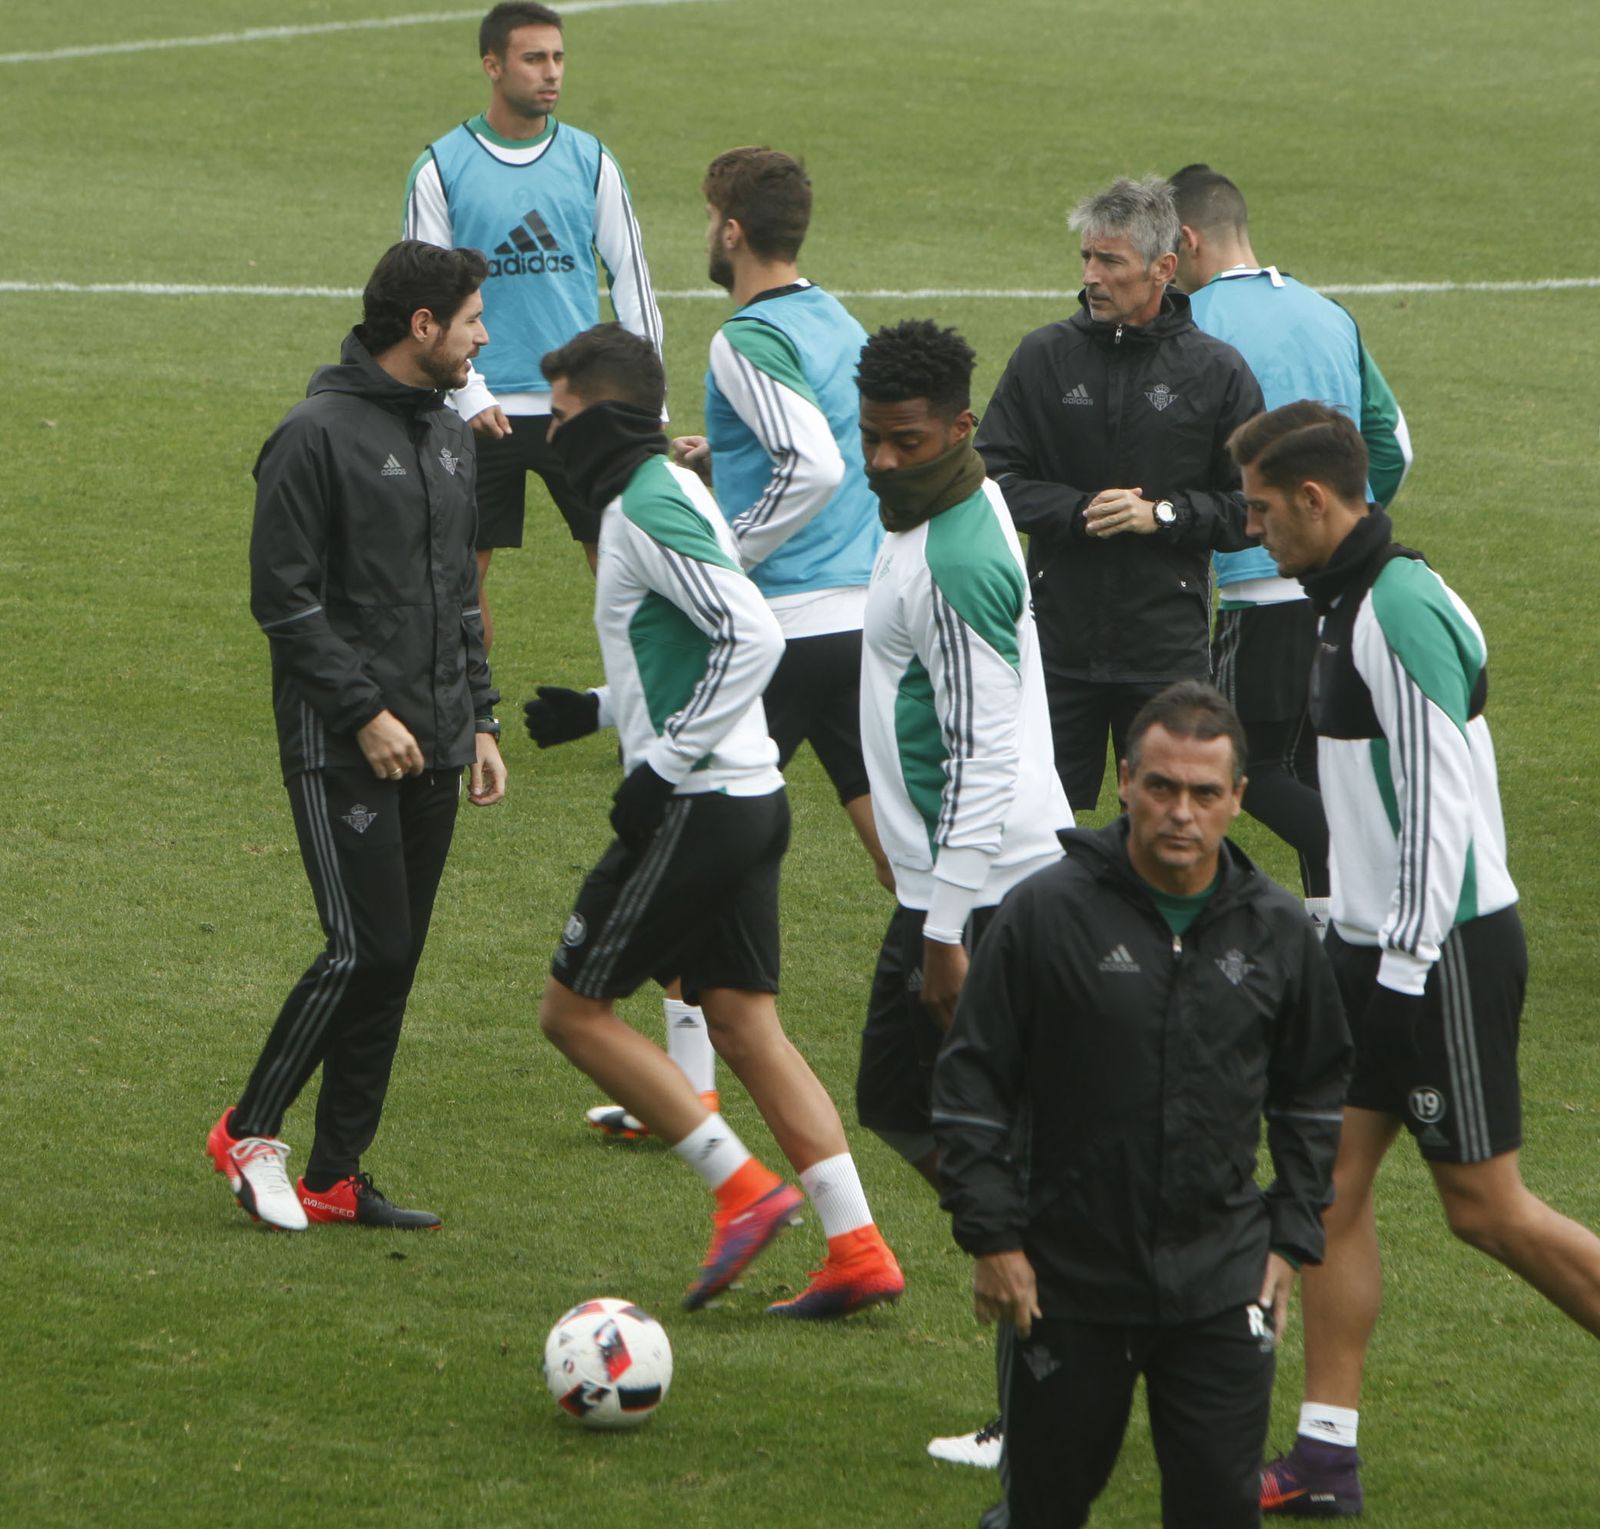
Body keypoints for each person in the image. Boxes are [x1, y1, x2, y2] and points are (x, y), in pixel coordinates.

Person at [1231, 402, 1600, 1518]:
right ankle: (1325, 1460)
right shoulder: (1349, 596)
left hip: (1439, 951)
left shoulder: (1396, 606)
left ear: (1313, 500)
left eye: (1259, 510)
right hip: (1373, 944)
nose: (1250, 532)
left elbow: (1438, 804)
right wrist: (1340, 928)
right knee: (1328, 1196)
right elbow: (1369, 802)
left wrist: (1397, 966)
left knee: (1485, 1209)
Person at [524, 322, 904, 1318]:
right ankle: (858, 1245)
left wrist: (660, 765)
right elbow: (690, 643)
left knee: (572, 1009)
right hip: (744, 800)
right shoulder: (664, 493)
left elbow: (751, 631)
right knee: (741, 1022)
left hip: (700, 805)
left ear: (602, 412)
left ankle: (742, 1190)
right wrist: (601, 710)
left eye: (560, 415)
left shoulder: (646, 505)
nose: (548, 437)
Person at [933, 681, 1352, 1528]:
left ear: (1239, 797)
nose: (1180, 813)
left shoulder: (1274, 930)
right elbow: (972, 1079)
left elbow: (1313, 1087)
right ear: (1125, 781)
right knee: (1044, 1508)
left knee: (1216, 1508)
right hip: (1064, 1280)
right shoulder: (1043, 915)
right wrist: (994, 1237)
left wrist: (1292, 1231)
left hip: (1220, 1281)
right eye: (1161, 786)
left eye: (1204, 792)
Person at [564, 145, 891, 1141]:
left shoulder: (743, 338)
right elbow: (826, 440)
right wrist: (725, 457)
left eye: (707, 216)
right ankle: (973, 985)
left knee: (688, 838)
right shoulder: (833, 317)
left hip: (788, 626)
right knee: (897, 851)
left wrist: (724, 550)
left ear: (732, 227)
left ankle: (686, 1087)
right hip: (860, 620)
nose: (704, 232)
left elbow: (816, 463)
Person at [206, 240, 508, 1233]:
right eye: (470, 318)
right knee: (360, 946)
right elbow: (283, 602)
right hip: (342, 739)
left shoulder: (453, 434)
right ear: (420, 327)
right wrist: (365, 712)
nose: (483, 334)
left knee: (397, 955)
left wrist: (482, 717)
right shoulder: (312, 436)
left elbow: (458, 591)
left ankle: (338, 1171)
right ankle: (249, 1130)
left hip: (435, 736)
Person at [848, 319, 1073, 1471]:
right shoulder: (932, 511)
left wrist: (944, 930)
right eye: (871, 438)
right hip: (947, 882)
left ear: (962, 429)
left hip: (982, 893)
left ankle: (1036, 1387)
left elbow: (984, 751)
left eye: (905, 441)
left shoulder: (958, 556)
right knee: (898, 1095)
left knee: (984, 1135)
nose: (882, 461)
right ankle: (1050, 1235)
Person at [1169, 163, 1413, 926]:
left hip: (1257, 585)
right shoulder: (1328, 312)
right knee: (1320, 758)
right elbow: (1394, 444)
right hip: (1350, 585)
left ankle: (1371, 869)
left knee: (1245, 761)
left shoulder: (1192, 323)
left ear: (1184, 239)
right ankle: (1341, 923)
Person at [976, 175, 1264, 814]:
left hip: (1164, 650)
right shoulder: (1043, 357)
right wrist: (1078, 513)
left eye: (1110, 261)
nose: (1091, 276)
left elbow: (1251, 509)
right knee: (1037, 823)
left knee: (1168, 819)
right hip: (1056, 642)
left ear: (1163, 268)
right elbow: (991, 480)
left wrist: (1160, 515)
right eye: (1087, 257)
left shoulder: (1216, 372)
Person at [404, 0, 664, 641]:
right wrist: (468, 391)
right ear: (492, 66)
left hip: (580, 407)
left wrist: (649, 402)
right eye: (534, 59)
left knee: (622, 563)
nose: (551, 73)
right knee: (462, 574)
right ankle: (469, 724)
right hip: (476, 408)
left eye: (558, 57)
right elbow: (425, 301)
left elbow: (632, 280)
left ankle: (647, 723)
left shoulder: (591, 160)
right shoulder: (441, 167)